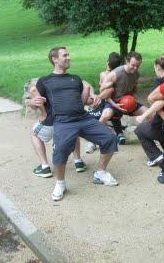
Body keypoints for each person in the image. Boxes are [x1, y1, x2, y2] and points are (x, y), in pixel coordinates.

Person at [31, 47, 118, 201]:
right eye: (65, 55)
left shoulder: (75, 79)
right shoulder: (45, 81)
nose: (69, 58)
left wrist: (94, 99)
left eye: (68, 55)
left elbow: (84, 101)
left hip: (83, 117)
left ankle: (101, 172)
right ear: (54, 59)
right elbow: (35, 103)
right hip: (62, 121)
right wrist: (32, 103)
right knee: (60, 151)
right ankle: (60, 184)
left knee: (109, 138)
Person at [29, 82, 87, 177]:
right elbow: (87, 89)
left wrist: (39, 109)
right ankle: (78, 162)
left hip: (50, 121)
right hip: (68, 119)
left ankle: (45, 167)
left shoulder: (42, 86)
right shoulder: (69, 85)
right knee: (73, 131)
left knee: (34, 134)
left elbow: (33, 91)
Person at [134, 54, 164, 167]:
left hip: (163, 121)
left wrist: (144, 115)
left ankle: (156, 156)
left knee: (139, 130)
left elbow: (160, 102)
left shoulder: (160, 81)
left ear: (157, 66)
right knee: (152, 126)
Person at [85, 52, 126, 154]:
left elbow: (106, 92)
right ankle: (119, 134)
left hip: (106, 101)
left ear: (107, 62)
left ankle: (92, 142)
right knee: (114, 117)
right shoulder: (119, 74)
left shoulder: (104, 74)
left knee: (100, 118)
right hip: (118, 101)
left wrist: (99, 96)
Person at [94, 51, 147, 124]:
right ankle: (95, 132)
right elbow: (103, 91)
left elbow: (134, 87)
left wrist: (133, 97)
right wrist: (114, 105)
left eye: (137, 66)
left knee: (149, 113)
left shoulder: (136, 74)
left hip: (127, 103)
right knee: (105, 115)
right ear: (127, 61)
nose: (135, 68)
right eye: (133, 65)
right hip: (113, 102)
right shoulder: (115, 74)